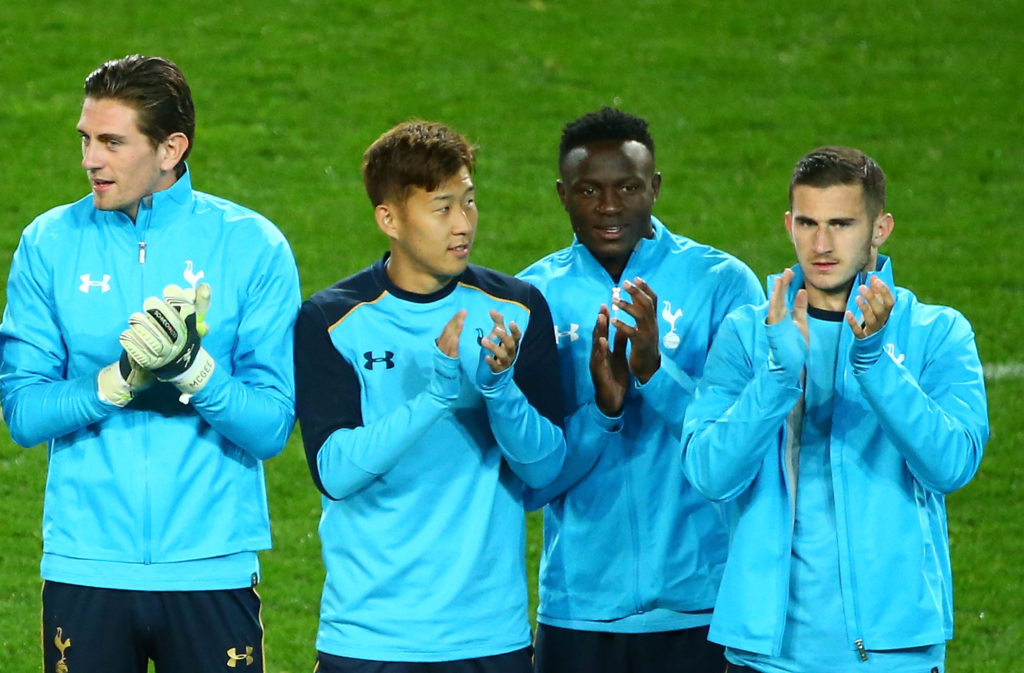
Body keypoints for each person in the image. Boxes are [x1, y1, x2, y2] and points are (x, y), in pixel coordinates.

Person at [0, 55, 300, 673]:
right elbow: (24, 414)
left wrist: (192, 369)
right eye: (85, 139)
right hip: (86, 565)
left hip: (210, 566)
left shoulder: (252, 245)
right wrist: (118, 381)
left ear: (171, 148)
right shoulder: (48, 243)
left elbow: (272, 427)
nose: (89, 160)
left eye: (112, 142)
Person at [681, 146, 989, 673]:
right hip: (767, 659)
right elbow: (709, 473)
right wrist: (777, 377)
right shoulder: (749, 334)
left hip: (892, 658)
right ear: (789, 224)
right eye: (808, 223)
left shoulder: (937, 332)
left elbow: (952, 465)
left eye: (842, 224)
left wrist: (873, 364)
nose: (821, 245)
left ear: (880, 228)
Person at [293, 120, 567, 672]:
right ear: (389, 218)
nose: (463, 224)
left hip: (489, 639)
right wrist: (436, 398)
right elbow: (336, 473)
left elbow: (545, 469)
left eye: (469, 203)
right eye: (442, 208)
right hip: (369, 640)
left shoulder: (516, 310)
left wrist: (498, 389)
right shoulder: (331, 320)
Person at [517, 107, 764, 673]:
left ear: (655, 187)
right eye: (589, 190)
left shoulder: (723, 284)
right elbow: (529, 485)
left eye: (628, 187)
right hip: (578, 611)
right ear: (561, 193)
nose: (609, 206)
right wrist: (603, 411)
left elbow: (742, 450)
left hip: (704, 606)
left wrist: (655, 373)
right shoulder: (532, 298)